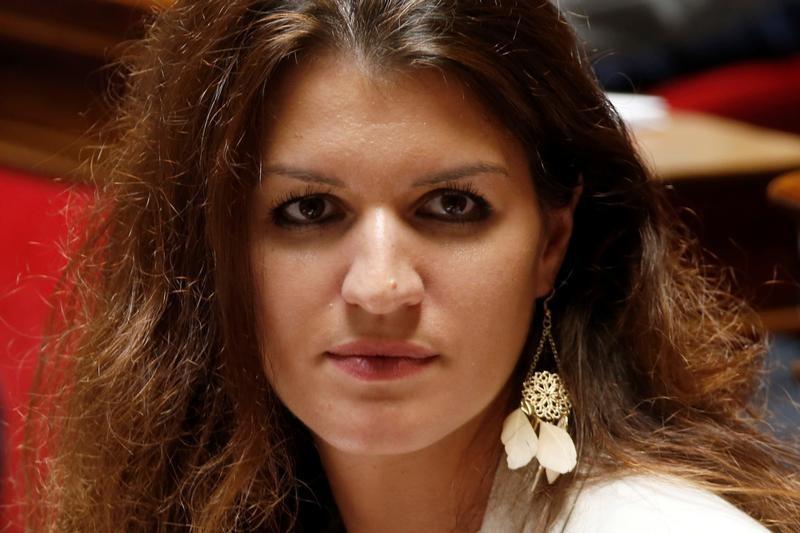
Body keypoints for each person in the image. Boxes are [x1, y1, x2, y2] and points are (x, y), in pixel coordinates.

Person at [23, 1, 800, 531]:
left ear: (552, 239)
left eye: (453, 207)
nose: (380, 287)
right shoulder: (206, 503)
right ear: (214, 247)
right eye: (308, 211)